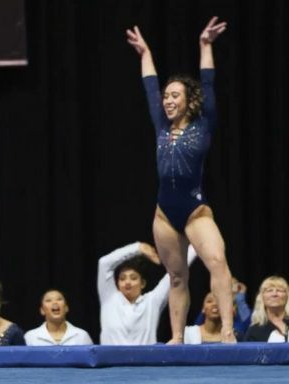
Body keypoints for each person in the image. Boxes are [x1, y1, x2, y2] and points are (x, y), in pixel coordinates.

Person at [126, 17, 235, 344]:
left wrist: (205, 45)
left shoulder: (204, 123)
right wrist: (145, 53)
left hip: (194, 209)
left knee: (217, 262)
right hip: (164, 212)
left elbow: (209, 81)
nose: (168, 100)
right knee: (176, 277)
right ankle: (176, 337)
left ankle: (228, 332)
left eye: (175, 95)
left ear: (189, 99)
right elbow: (149, 85)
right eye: (166, 97)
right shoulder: (160, 124)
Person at [98, 242, 197, 345]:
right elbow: (104, 263)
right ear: (117, 283)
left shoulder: (152, 301)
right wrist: (138, 248)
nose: (127, 282)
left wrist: (197, 245)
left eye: (133, 278)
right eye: (122, 278)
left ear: (143, 283)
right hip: (110, 360)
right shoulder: (109, 299)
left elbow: (174, 275)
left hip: (144, 360)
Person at [24, 289, 93, 346]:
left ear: (66, 308)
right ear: (42, 310)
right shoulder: (30, 337)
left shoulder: (81, 336)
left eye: (59, 299)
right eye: (48, 300)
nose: (55, 302)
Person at [244, 276, 289, 342]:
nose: (274, 294)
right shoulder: (255, 331)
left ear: (287, 296)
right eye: (269, 290)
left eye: (279, 290)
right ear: (262, 298)